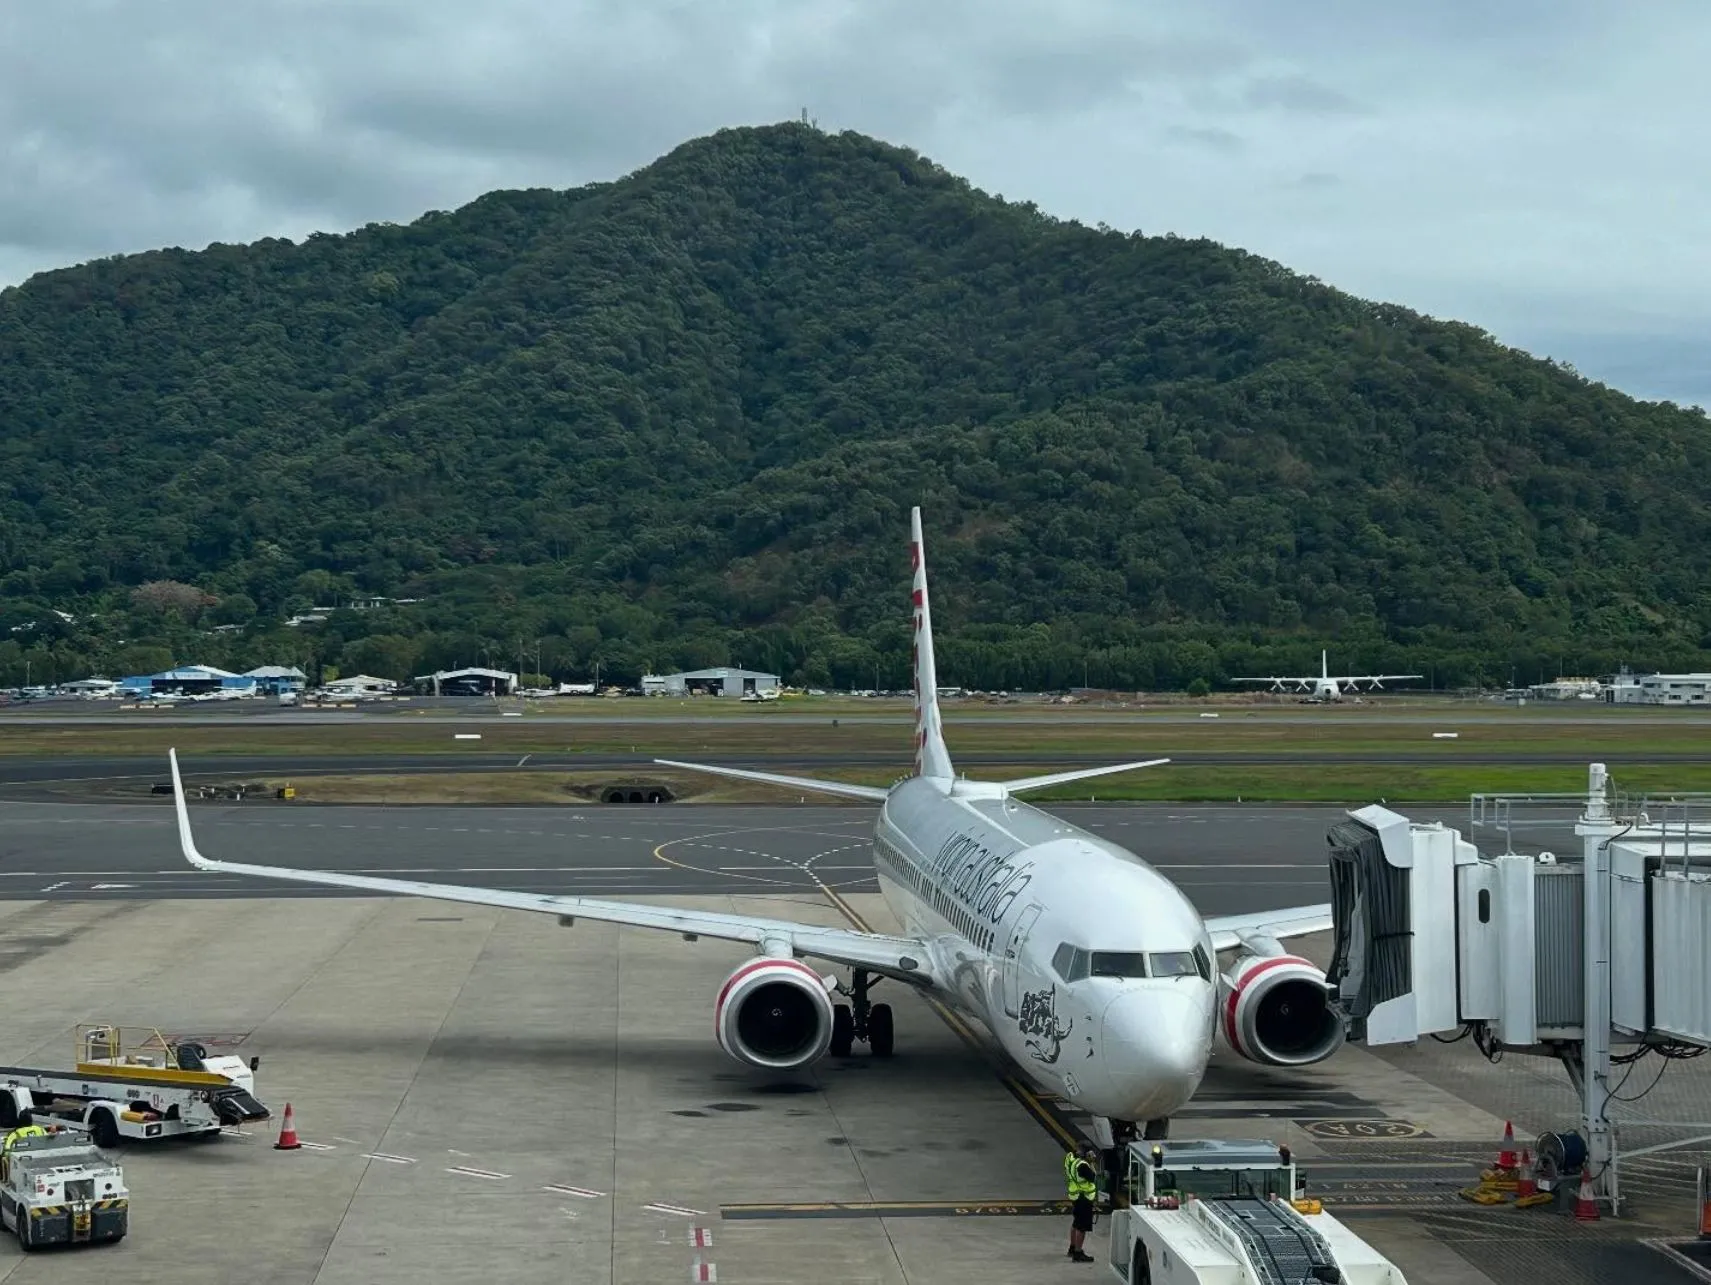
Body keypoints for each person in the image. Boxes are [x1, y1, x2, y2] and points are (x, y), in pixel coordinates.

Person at [1064, 1142, 1100, 1263]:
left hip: (1075, 1196)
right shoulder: (1083, 1166)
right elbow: (1094, 1177)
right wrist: (1092, 1163)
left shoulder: (1072, 1159)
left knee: (1076, 1222)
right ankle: (1078, 1253)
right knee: (1082, 1227)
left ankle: (1072, 1247)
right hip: (1083, 1197)